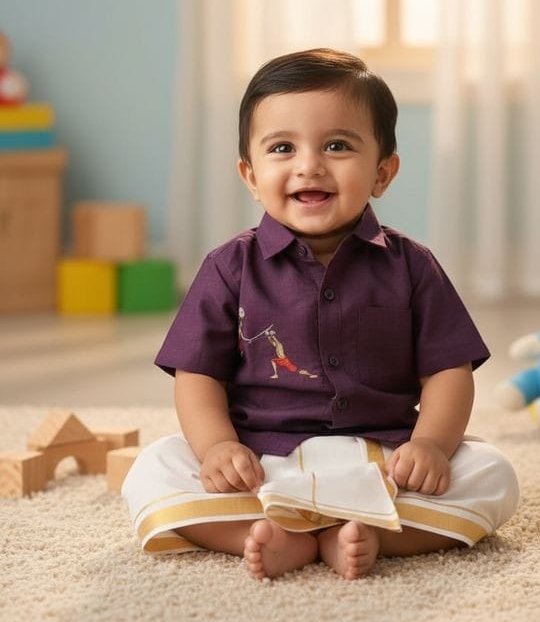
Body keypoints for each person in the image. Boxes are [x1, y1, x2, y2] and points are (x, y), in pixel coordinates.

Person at [122, 48, 519, 581]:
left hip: (383, 461)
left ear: (383, 172)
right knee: (154, 469)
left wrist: (429, 445)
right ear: (250, 174)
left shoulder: (412, 265)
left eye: (336, 145)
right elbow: (198, 373)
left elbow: (449, 370)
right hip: (261, 460)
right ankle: (271, 538)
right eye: (282, 148)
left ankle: (364, 535)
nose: (309, 164)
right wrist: (217, 447)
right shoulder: (228, 267)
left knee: (492, 474)